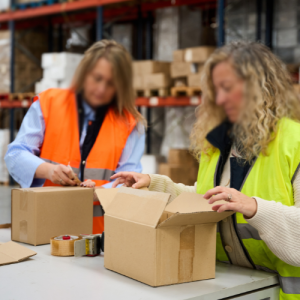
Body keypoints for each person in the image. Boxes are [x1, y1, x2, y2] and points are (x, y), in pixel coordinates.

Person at [111, 41, 300, 299]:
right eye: (214, 90)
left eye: (227, 88)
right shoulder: (219, 143)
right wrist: (155, 184)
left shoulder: (295, 143)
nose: (219, 99)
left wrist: (255, 208)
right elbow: (206, 199)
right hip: (227, 288)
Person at [5, 40, 146, 234]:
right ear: (84, 73)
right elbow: (15, 155)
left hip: (98, 237)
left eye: (111, 83)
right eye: (97, 78)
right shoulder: (49, 103)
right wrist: (48, 171)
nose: (102, 89)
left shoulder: (131, 124)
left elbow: (130, 180)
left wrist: (100, 192)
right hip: (45, 228)